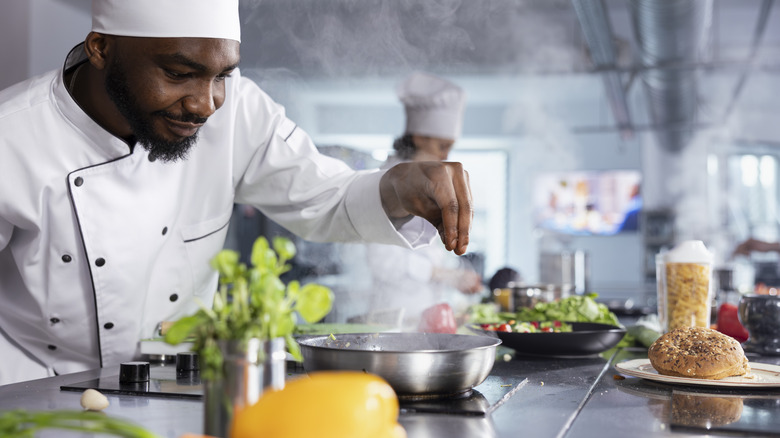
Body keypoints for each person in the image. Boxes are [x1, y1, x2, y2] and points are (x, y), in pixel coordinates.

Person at [0, 1, 474, 385]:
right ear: (101, 48)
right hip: (37, 391)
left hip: (183, 387)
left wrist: (396, 186)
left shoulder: (238, 111)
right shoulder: (13, 135)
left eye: (222, 75)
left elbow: (324, 195)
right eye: (179, 73)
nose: (206, 104)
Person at [364, 72, 483, 330]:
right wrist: (445, 275)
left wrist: (454, 276)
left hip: (426, 318)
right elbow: (383, 262)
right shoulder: (385, 183)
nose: (447, 155)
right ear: (419, 138)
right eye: (442, 146)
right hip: (394, 319)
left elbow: (430, 252)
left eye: (451, 146)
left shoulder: (429, 185)